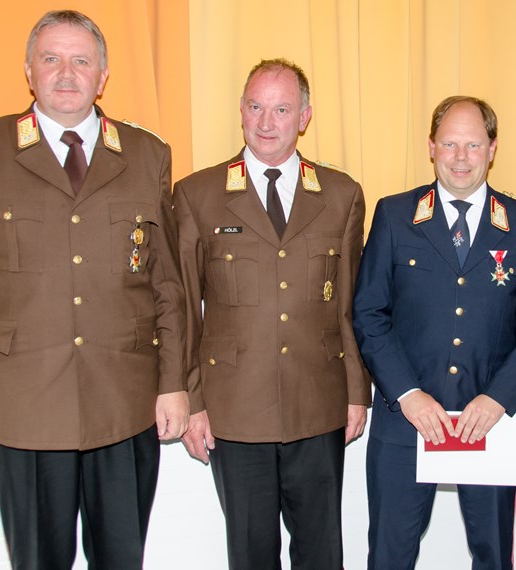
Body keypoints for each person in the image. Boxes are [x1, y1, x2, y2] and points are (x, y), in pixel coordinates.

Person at [0, 10, 188, 568]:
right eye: (51, 59)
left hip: (125, 403)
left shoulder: (146, 155)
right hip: (23, 409)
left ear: (103, 74)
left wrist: (174, 385)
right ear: (28, 70)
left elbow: (167, 283)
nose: (66, 73)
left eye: (80, 61)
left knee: (122, 558)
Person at [174, 58, 371, 569]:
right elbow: (183, 311)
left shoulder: (341, 194)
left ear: (304, 117)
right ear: (241, 110)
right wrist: (192, 401)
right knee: (251, 553)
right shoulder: (198, 195)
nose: (266, 122)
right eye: (256, 107)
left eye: (281, 109)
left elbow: (350, 306)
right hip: (235, 411)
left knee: (321, 552)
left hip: (319, 405)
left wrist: (356, 393)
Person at [353, 95, 516, 569]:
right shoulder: (394, 215)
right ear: (431, 147)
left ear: (492, 149)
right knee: (389, 554)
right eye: (449, 144)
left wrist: (498, 399)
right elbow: (369, 312)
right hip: (406, 419)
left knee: (492, 553)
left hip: (485, 420)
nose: (461, 158)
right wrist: (407, 394)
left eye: (472, 145)